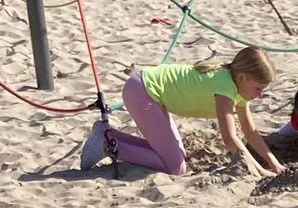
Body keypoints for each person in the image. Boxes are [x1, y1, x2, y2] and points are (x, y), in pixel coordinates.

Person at [79, 46, 284, 177]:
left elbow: (250, 132)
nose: (260, 95)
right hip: (143, 91)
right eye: (258, 88)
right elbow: (230, 139)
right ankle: (109, 145)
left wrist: (274, 164)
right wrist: (259, 170)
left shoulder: (240, 90)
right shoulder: (225, 87)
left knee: (177, 157)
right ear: (243, 78)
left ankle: (107, 135)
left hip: (153, 93)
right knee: (175, 167)